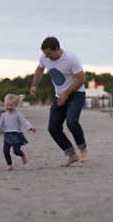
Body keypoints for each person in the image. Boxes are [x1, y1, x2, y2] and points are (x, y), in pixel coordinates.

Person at [30, 36, 89, 167]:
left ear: (57, 48)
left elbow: (81, 80)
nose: (46, 56)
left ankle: (83, 149)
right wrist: (34, 85)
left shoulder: (71, 58)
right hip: (59, 96)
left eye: (49, 53)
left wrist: (66, 94)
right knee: (53, 128)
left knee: (72, 122)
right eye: (45, 54)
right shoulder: (44, 57)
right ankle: (72, 155)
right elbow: (39, 70)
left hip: (76, 93)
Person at [0, 94, 37, 171]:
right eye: (7, 105)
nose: (9, 107)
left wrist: (30, 127)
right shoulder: (3, 115)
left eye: (11, 105)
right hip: (7, 135)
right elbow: (0, 125)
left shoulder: (18, 114)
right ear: (4, 104)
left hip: (16, 135)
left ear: (16, 105)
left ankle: (22, 155)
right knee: (5, 151)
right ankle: (10, 165)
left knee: (16, 151)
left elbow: (24, 121)